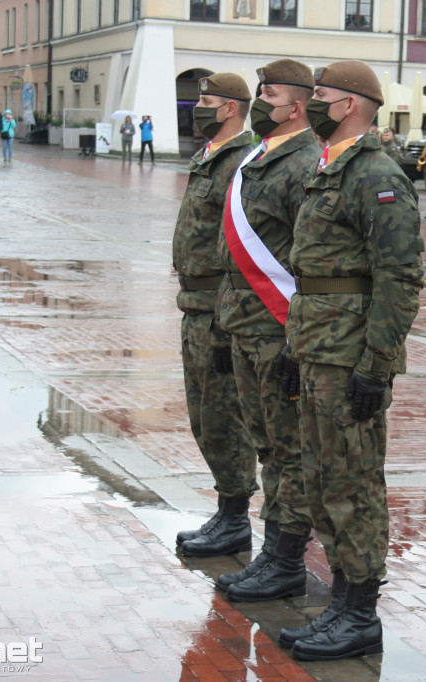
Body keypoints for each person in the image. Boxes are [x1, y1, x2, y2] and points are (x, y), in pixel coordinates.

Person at [278, 59, 424, 662]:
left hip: (350, 356)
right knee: (321, 476)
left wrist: (377, 363)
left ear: (350, 105)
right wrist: (293, 346)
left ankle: (361, 612)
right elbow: (311, 274)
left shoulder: (377, 175)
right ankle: (341, 600)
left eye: (322, 96)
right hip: (317, 347)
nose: (312, 105)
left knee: (355, 482)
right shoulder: (327, 168)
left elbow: (400, 275)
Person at [214, 59, 321, 603]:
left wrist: (298, 340)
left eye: (269, 93)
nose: (260, 100)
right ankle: (270, 553)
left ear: (295, 105)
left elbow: (309, 259)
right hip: (245, 325)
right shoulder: (260, 155)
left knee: (288, 451)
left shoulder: (305, 163)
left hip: (278, 330)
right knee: (265, 445)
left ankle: (284, 560)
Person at [172, 73, 257, 558]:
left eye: (205, 101)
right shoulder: (208, 158)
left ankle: (235, 517)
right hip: (195, 306)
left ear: (229, 109)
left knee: (226, 417)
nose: (196, 107)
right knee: (203, 417)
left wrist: (230, 314)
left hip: (220, 308)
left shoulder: (240, 162)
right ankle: (227, 509)